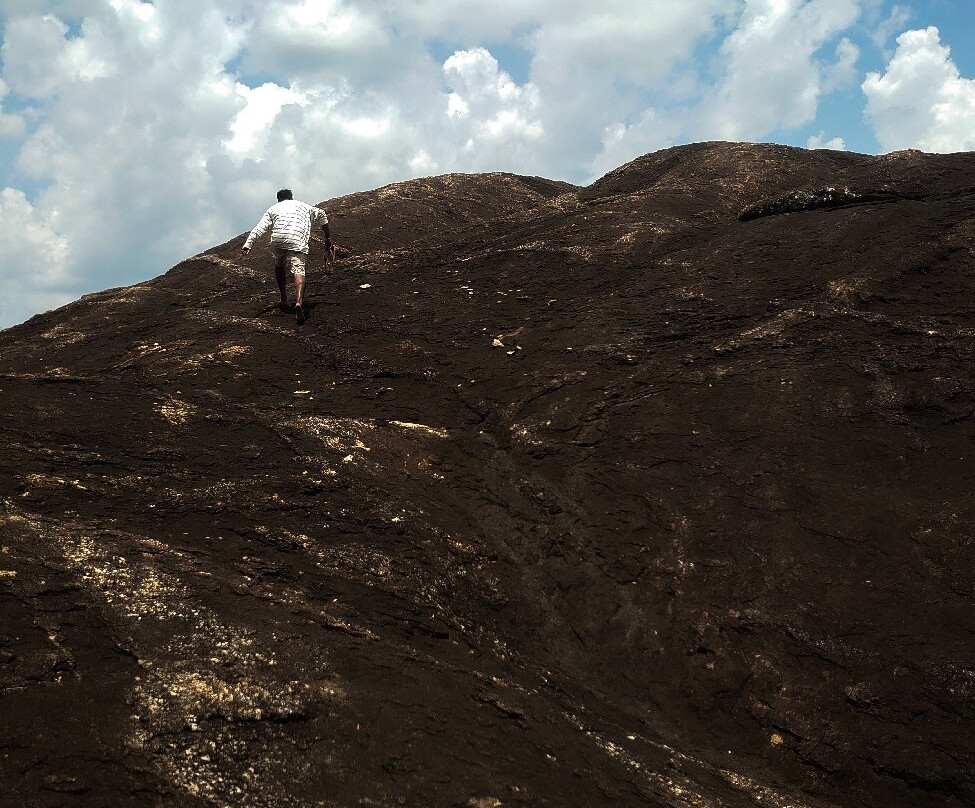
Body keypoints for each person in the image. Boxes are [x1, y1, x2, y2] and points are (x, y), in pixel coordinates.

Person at [241, 189, 334, 324]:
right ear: (291, 197)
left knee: (279, 265)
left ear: (278, 199)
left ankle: (283, 298)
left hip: (278, 241)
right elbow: (322, 215)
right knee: (299, 270)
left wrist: (248, 244)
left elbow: (260, 227)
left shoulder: (273, 209)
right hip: (296, 240)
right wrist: (327, 239)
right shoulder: (304, 206)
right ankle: (298, 302)